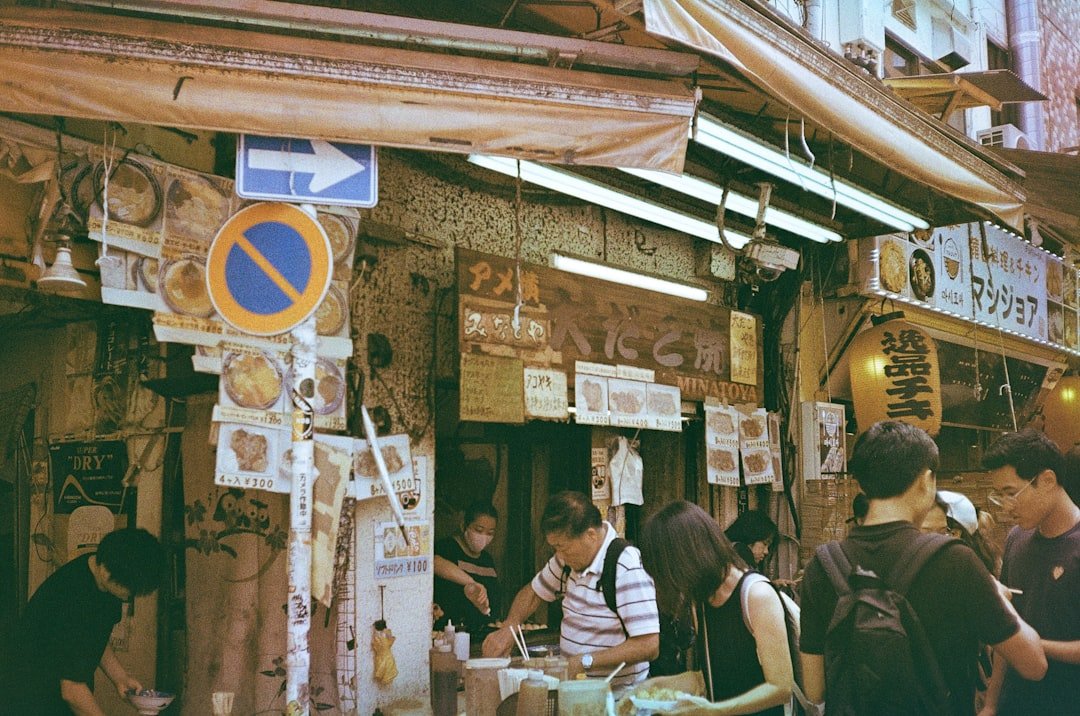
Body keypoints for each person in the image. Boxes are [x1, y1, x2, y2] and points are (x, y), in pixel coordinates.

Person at [799, 421, 1046, 716]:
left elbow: (814, 689)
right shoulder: (955, 560)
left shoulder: (822, 565)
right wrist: (999, 596)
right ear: (925, 480)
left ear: (862, 485)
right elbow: (1034, 665)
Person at [482, 491, 659, 690]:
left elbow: (649, 645)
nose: (559, 555)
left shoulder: (626, 566)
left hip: (616, 695)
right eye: (555, 548)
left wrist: (585, 661)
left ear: (590, 535)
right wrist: (510, 626)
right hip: (574, 689)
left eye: (562, 547)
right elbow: (533, 592)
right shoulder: (565, 561)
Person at [641, 501, 793, 715]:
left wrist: (715, 710)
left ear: (689, 558)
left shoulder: (756, 595)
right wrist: (655, 686)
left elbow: (781, 688)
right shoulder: (701, 600)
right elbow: (710, 677)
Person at [0, 527, 165, 716]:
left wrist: (120, 677)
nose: (130, 596)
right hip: (29, 699)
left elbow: (95, 638)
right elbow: (71, 690)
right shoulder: (73, 599)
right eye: (130, 589)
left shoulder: (102, 575)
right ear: (105, 572)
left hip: (59, 695)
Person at [978, 431, 1080, 716]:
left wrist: (1030, 645)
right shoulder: (1016, 539)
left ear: (1047, 480)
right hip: (1016, 703)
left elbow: (1011, 638)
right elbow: (1006, 626)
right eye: (999, 495)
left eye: (1011, 493)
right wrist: (991, 703)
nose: (1006, 506)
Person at [433, 500, 501, 637]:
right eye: (479, 530)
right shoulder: (446, 548)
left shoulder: (487, 560)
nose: (484, 537)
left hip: (480, 636)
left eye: (490, 533)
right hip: (448, 635)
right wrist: (472, 583)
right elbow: (433, 563)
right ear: (464, 525)